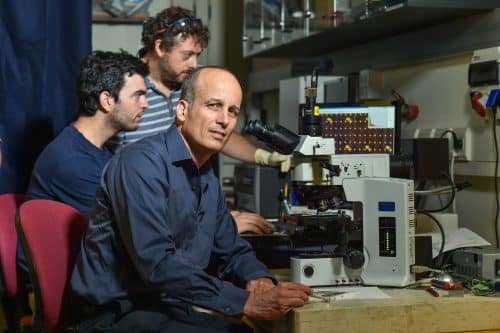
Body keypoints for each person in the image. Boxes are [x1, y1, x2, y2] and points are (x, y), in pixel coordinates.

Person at [70, 67, 311, 333]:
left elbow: (230, 248)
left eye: (232, 111)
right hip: (116, 315)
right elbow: (158, 264)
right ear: (183, 111)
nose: (224, 120)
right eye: (213, 106)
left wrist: (258, 278)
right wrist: (246, 301)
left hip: (165, 306)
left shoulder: (206, 178)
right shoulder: (140, 163)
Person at [111, 6, 287, 234]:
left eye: (197, 55)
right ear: (160, 46)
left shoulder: (195, 80)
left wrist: (264, 157)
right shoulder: (129, 89)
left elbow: (221, 132)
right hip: (148, 209)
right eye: (187, 56)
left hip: (191, 207)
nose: (194, 64)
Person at [26, 50, 149, 216]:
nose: (145, 104)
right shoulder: (72, 161)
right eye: (138, 95)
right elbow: (129, 228)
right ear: (107, 100)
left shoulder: (97, 150)